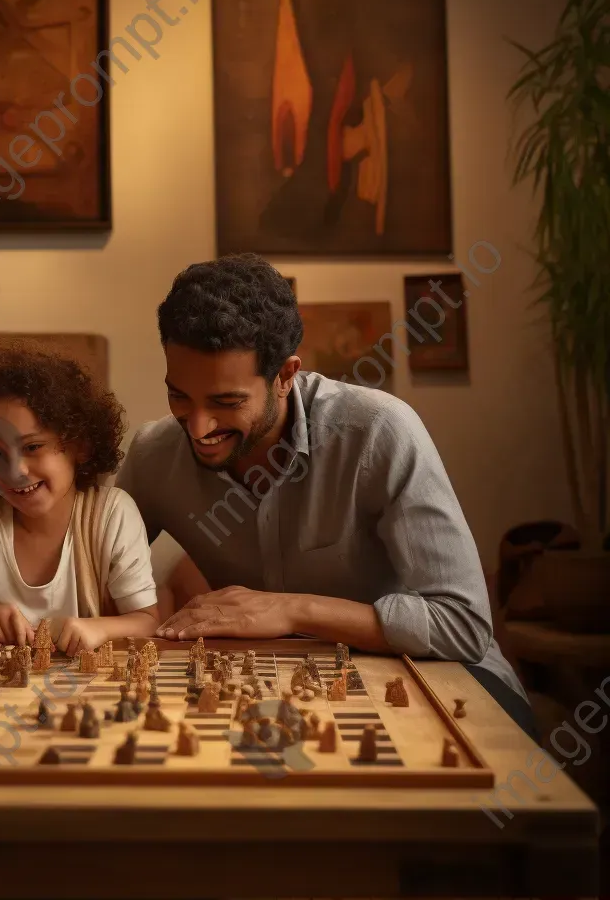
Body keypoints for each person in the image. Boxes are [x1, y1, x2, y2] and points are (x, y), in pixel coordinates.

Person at [115, 254, 536, 738]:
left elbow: (460, 624)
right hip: (280, 687)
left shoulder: (379, 432)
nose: (198, 426)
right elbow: (83, 569)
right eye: (180, 397)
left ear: (286, 374)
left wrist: (292, 609)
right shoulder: (153, 455)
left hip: (439, 674)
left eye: (226, 403)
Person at [0, 346, 159, 656]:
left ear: (81, 446)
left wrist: (96, 628)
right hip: (1, 689)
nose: (16, 471)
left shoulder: (112, 513)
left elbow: (146, 621)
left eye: (33, 447)